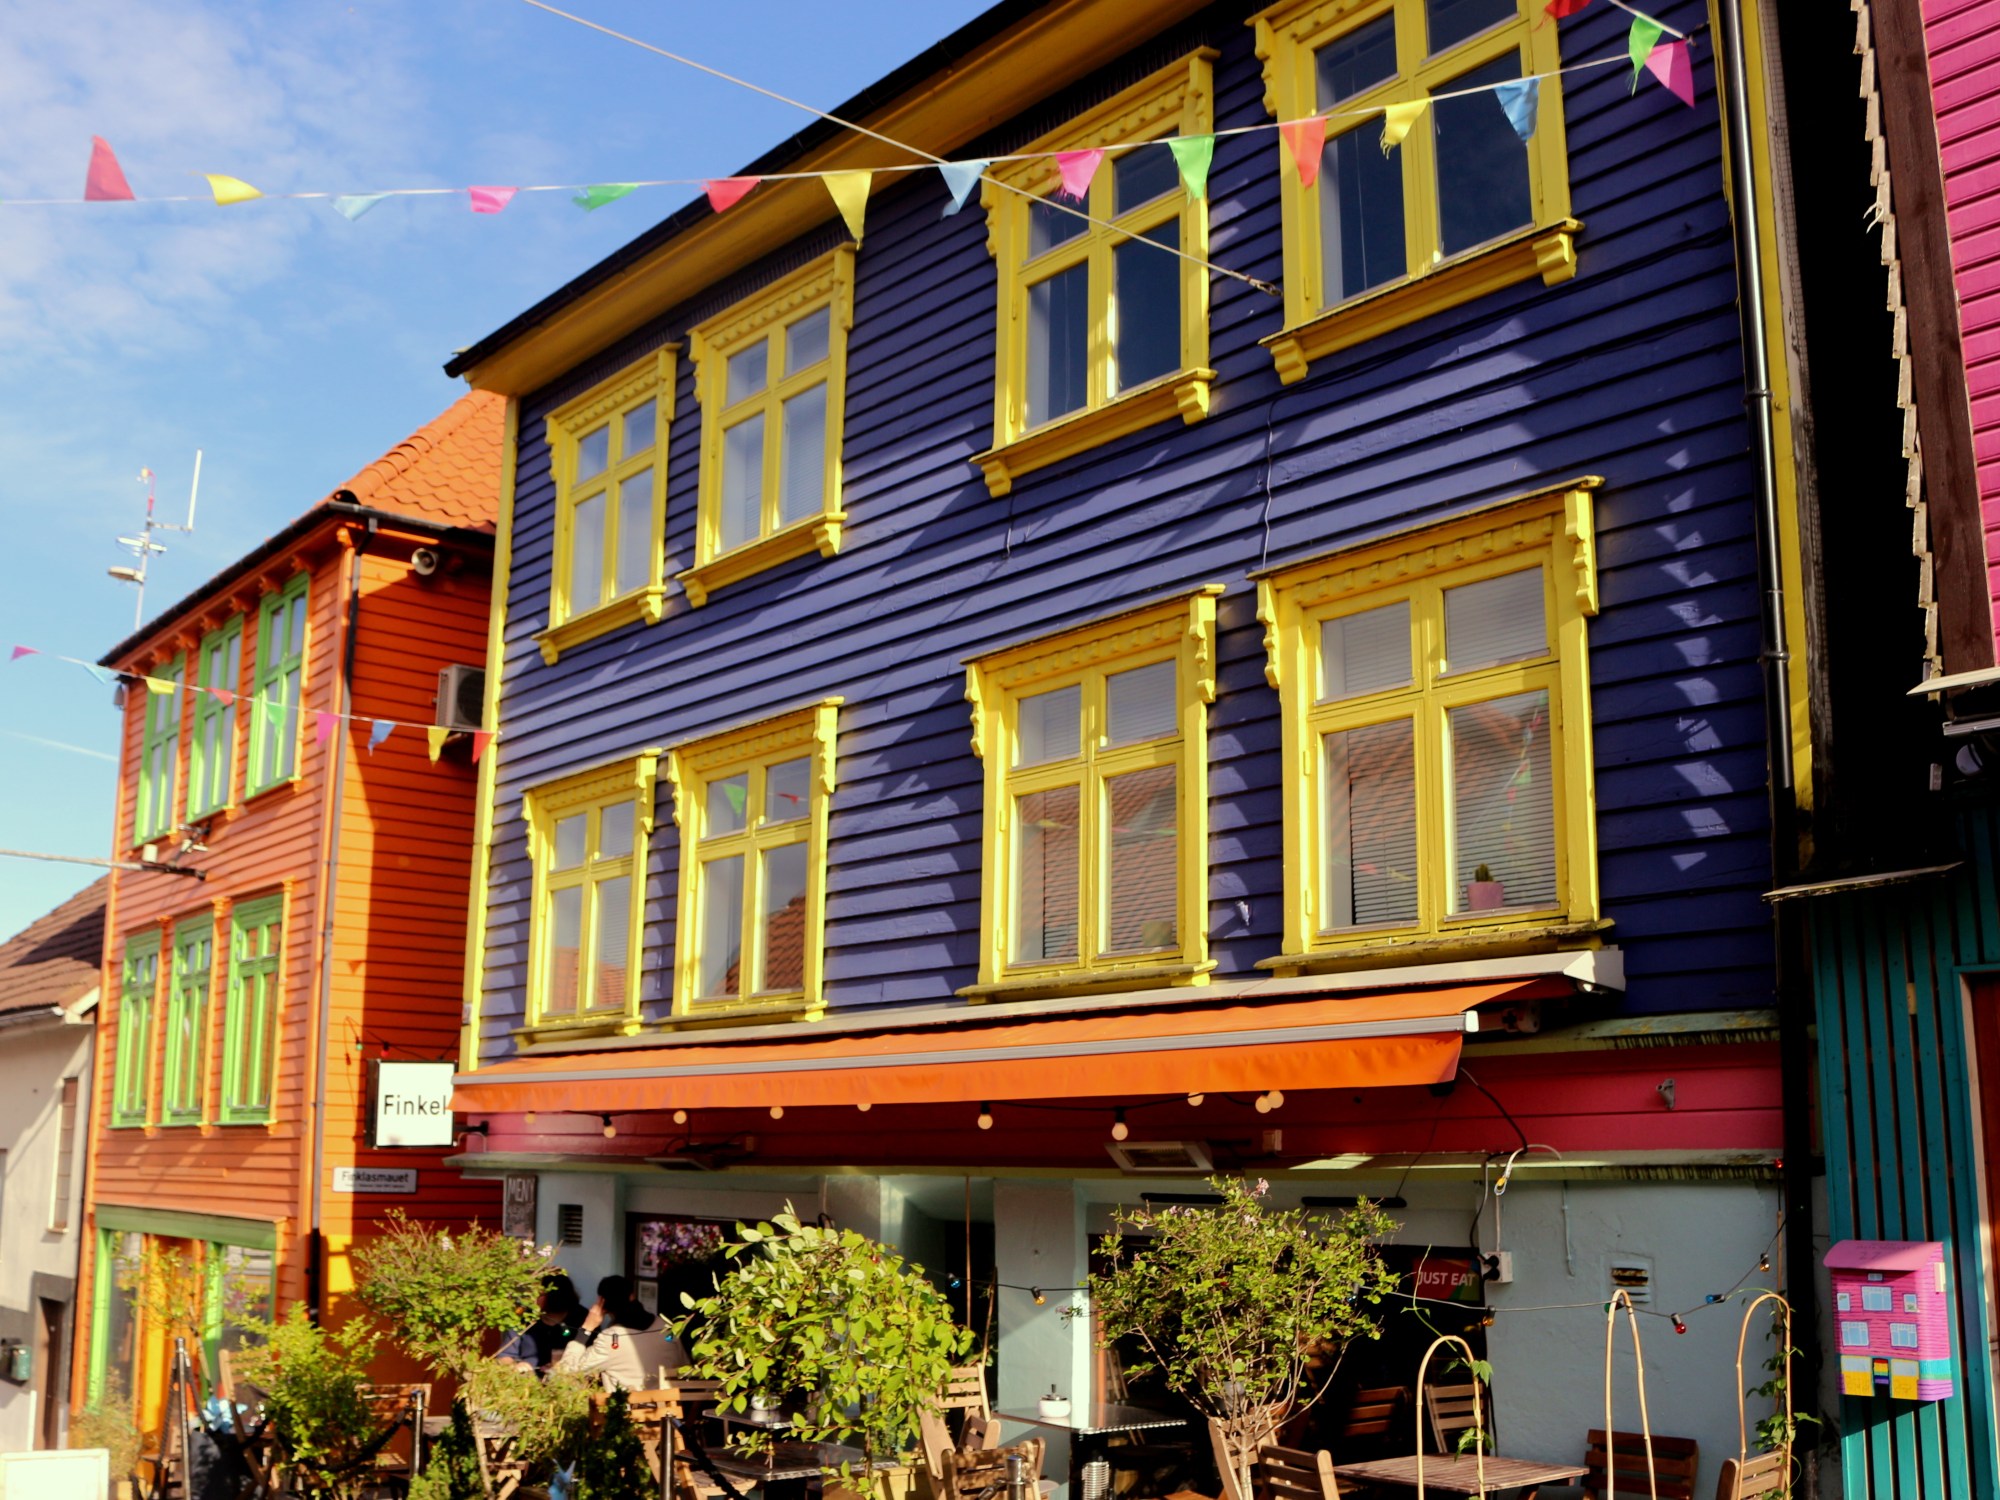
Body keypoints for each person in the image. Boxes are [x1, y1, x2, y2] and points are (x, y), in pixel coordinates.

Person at [557, 1274, 688, 1389]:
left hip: (626, 1408)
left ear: (602, 1303)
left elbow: (567, 1372)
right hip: (669, 1407)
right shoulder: (665, 1328)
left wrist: (586, 1328)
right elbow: (685, 1367)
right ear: (632, 1295)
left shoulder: (610, 1340)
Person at [497, 1273, 585, 1372]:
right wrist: (516, 1367)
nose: (533, 1298)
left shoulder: (581, 1318)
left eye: (539, 1294)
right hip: (528, 1377)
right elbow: (505, 1355)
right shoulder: (524, 1317)